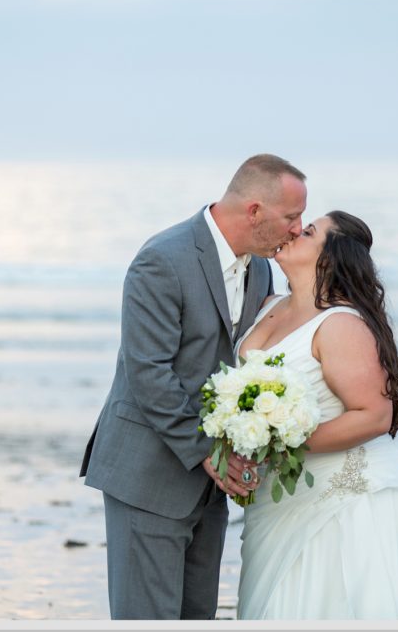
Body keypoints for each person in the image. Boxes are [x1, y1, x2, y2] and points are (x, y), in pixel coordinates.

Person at [79, 154, 308, 619]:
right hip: (148, 474)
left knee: (197, 616)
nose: (297, 230)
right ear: (254, 211)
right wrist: (210, 453)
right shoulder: (163, 259)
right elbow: (150, 374)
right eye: (290, 217)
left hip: (209, 485)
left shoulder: (260, 268)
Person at [234, 210, 398, 620]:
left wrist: (281, 442)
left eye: (307, 232)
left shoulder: (340, 323)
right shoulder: (268, 304)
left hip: (345, 499)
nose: (292, 232)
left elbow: (375, 415)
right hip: (279, 498)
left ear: (329, 257)